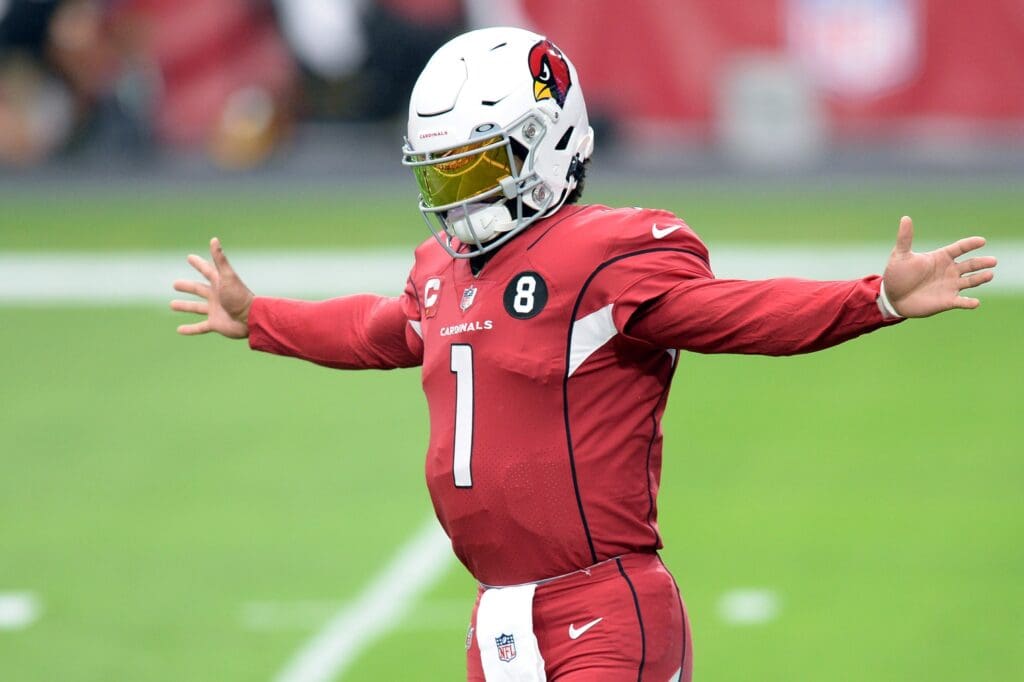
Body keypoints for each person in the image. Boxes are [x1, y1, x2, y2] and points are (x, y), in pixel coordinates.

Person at [171, 26, 997, 682]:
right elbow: (377, 331)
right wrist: (262, 318)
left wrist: (874, 299)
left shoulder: (604, 254)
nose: (458, 199)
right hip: (496, 619)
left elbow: (736, 313)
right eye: (443, 178)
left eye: (476, 169)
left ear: (547, 144)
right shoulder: (442, 273)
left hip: (606, 604)